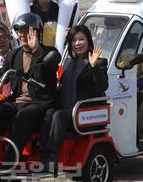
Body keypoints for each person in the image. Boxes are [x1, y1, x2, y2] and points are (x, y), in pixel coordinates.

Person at [0, 12, 58, 168]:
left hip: (39, 103)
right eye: (20, 31)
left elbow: (46, 73)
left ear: (38, 32)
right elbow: (1, 75)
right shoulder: (14, 54)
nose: (24, 35)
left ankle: (10, 160)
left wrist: (36, 51)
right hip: (16, 101)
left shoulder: (49, 53)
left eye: (28, 31)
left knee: (23, 116)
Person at [42, 25, 108, 167]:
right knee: (48, 113)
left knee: (58, 116)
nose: (77, 43)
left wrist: (94, 67)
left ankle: (52, 157)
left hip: (84, 113)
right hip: (68, 109)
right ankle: (42, 153)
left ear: (88, 41)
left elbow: (103, 86)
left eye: (81, 39)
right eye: (73, 40)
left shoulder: (99, 62)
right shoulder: (67, 63)